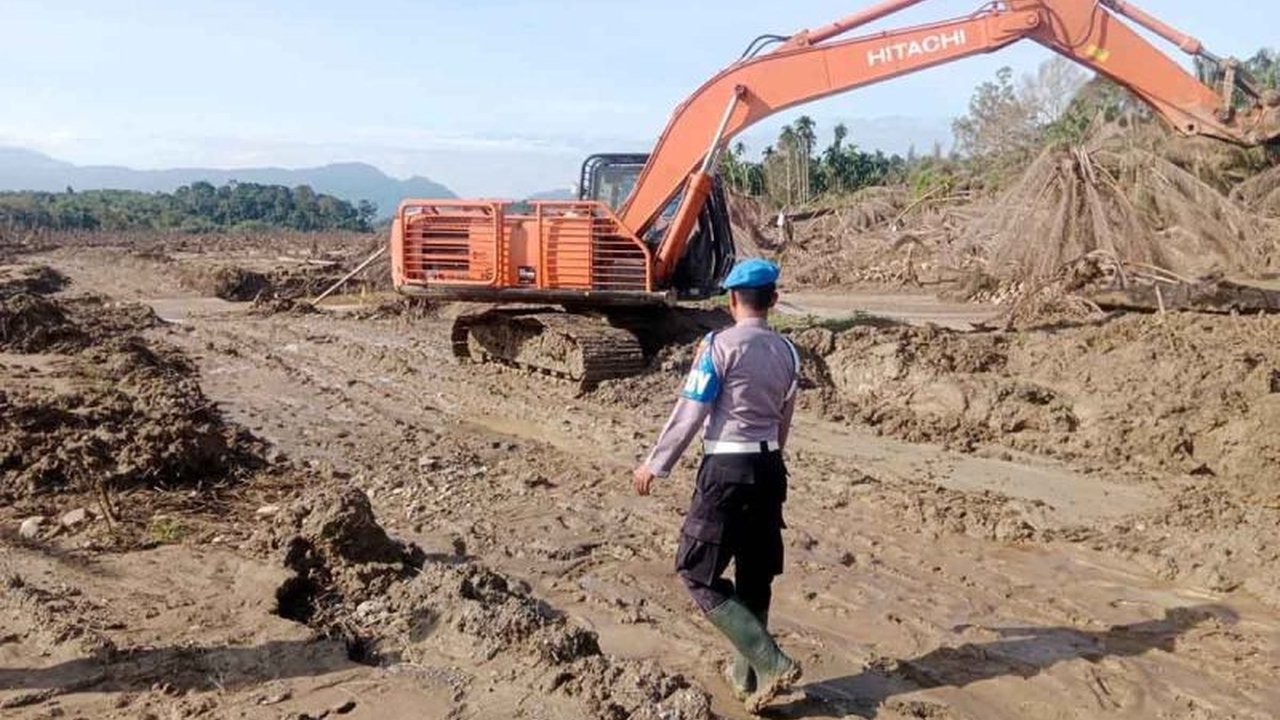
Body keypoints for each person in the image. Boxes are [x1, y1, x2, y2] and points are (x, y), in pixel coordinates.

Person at [632, 257, 802, 713]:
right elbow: (784, 422)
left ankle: (769, 661)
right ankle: (749, 682)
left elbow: (691, 412)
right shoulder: (789, 352)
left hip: (726, 470)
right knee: (755, 573)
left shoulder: (717, 346)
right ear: (774, 300)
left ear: (731, 300)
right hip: (769, 470)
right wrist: (769, 459)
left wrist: (655, 464)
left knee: (695, 571)